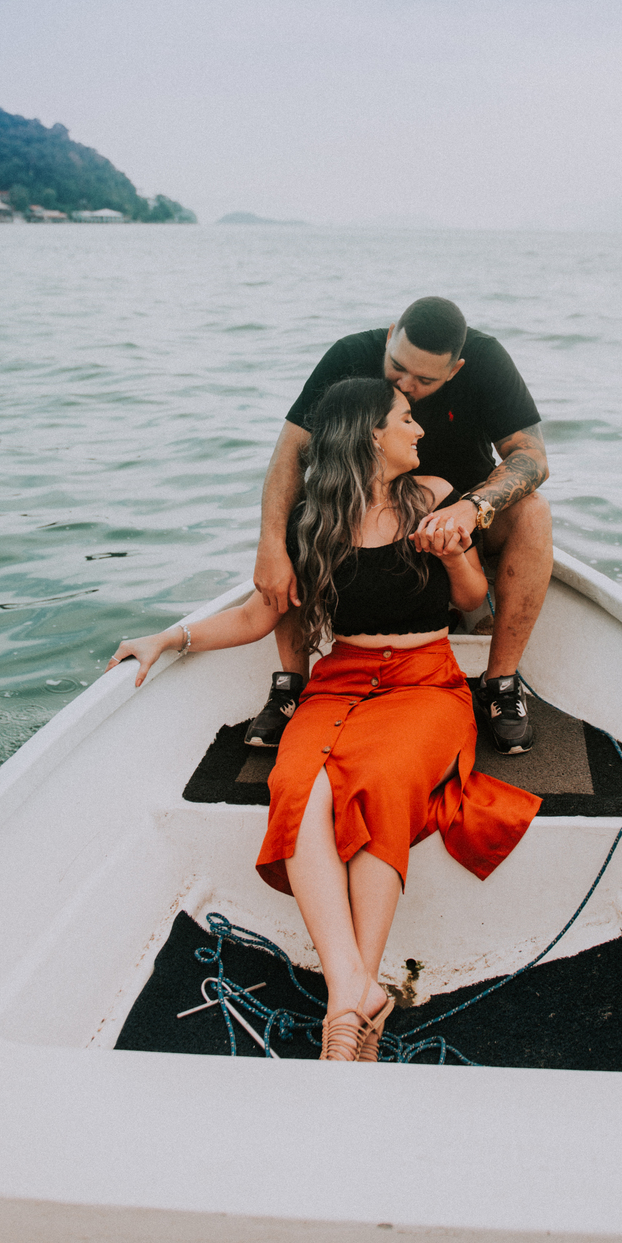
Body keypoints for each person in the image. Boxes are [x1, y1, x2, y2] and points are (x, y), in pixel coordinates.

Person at [107, 378, 540, 1062]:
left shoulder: (434, 495)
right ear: (371, 433)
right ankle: (354, 993)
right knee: (297, 788)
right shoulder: (312, 523)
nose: (419, 430)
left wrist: (456, 551)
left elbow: (473, 603)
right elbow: (258, 615)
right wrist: (171, 638)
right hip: (339, 684)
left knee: (381, 779)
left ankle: (349, 1001)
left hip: (426, 684)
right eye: (405, 419)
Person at [249, 296, 551, 756]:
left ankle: (501, 685)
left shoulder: (487, 361)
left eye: (424, 380)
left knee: (534, 511)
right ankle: (291, 683)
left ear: (455, 370)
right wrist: (271, 544)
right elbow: (292, 452)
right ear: (391, 336)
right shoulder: (350, 354)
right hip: (367, 514)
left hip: (460, 515)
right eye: (397, 367)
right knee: (298, 513)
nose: (405, 385)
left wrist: (470, 509)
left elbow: (531, 457)